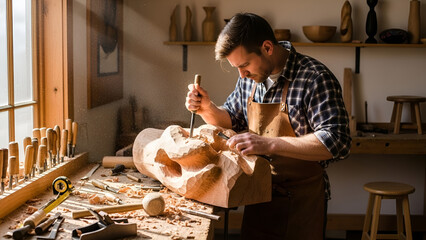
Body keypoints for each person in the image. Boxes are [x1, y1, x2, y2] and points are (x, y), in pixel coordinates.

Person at [185, 13, 351, 240]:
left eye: (244, 65)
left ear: (267, 47)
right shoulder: (249, 78)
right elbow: (232, 118)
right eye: (236, 68)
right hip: (259, 196)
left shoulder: (315, 78)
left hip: (302, 201)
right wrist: (206, 109)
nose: (241, 74)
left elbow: (337, 142)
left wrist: (269, 144)